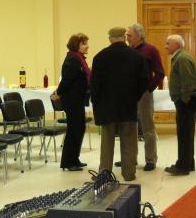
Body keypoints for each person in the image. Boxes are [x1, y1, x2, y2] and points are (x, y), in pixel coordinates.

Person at [91, 27, 148, 181]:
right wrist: (134, 96)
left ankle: (104, 174)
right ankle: (129, 174)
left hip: (106, 106)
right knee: (129, 141)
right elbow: (144, 81)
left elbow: (94, 85)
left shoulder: (100, 57)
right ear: (124, 37)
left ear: (110, 39)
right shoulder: (136, 56)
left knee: (107, 143)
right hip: (128, 105)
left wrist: (97, 104)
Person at [125, 23, 165, 172]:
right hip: (129, 94)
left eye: (129, 35)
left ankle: (150, 160)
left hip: (144, 94)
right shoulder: (128, 51)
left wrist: (148, 89)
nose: (127, 38)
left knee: (147, 128)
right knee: (130, 127)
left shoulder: (151, 50)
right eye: (126, 35)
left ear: (139, 36)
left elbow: (160, 72)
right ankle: (130, 158)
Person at [52, 33, 91, 171]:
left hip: (77, 100)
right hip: (72, 101)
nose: (87, 46)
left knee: (79, 129)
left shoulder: (78, 59)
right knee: (74, 130)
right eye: (84, 44)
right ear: (76, 45)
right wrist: (58, 93)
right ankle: (68, 162)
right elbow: (66, 80)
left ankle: (74, 159)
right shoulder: (73, 60)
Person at [164, 35, 196, 175]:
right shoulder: (180, 57)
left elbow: (188, 81)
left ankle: (183, 166)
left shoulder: (182, 58)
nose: (166, 46)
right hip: (187, 100)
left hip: (186, 100)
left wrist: (184, 100)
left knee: (184, 133)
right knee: (186, 133)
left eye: (168, 43)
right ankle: (188, 163)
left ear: (177, 45)